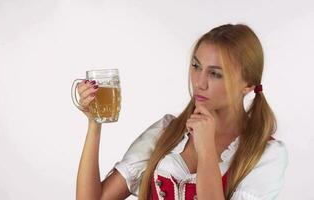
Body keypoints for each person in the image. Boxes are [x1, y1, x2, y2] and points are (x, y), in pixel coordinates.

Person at [75, 24, 288, 200]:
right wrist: (95, 123)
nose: (199, 82)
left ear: (248, 85)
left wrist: (206, 151)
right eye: (196, 66)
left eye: (215, 74)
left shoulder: (266, 155)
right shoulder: (167, 131)